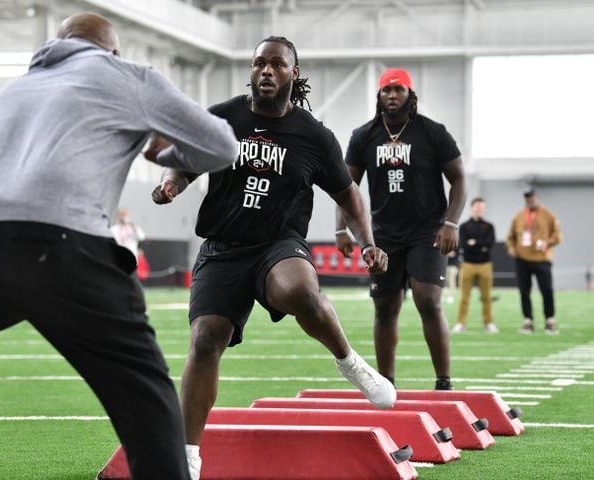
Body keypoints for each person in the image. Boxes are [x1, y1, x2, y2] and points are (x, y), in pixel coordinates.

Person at [0, 12, 238, 480]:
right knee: (141, 387)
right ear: (112, 52)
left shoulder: (11, 92)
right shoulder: (128, 76)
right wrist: (163, 154)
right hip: (53, 239)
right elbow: (221, 147)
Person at [150, 36, 395, 480]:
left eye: (277, 65)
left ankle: (349, 361)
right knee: (206, 340)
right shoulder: (223, 117)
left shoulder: (313, 135)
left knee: (303, 293)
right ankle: (187, 456)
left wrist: (368, 243)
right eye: (259, 63)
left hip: (277, 244)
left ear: (293, 74)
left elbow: (349, 195)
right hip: (223, 247)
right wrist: (172, 185)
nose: (266, 71)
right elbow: (184, 162)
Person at [336, 68, 467, 391]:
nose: (392, 95)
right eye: (386, 90)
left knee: (428, 300)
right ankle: (386, 383)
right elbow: (346, 187)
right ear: (378, 96)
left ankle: (444, 381)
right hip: (382, 234)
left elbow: (459, 178)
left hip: (428, 231)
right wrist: (341, 229)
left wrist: (451, 223)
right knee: (384, 306)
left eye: (398, 90)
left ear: (410, 95)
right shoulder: (364, 136)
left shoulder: (432, 133)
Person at [506, 189, 562, 334]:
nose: (530, 200)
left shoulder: (548, 215)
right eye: (527, 198)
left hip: (542, 259)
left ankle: (549, 320)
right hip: (522, 259)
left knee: (547, 290)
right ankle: (527, 321)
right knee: (524, 291)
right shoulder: (519, 216)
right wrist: (511, 248)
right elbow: (510, 236)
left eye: (532, 198)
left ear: (537, 198)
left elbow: (557, 236)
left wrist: (547, 243)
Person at [452, 197, 498, 333]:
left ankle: (488, 322)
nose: (479, 210)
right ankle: (461, 323)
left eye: (482, 207)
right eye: (477, 207)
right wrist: (480, 245)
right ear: (472, 208)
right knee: (464, 297)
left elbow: (490, 244)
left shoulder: (489, 226)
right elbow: (464, 245)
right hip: (467, 265)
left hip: (485, 265)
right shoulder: (464, 226)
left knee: (486, 297)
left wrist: (475, 243)